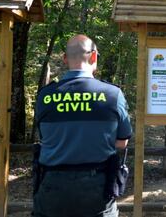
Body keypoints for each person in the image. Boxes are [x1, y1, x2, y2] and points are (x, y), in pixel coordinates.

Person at [33, 35, 132, 217]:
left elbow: (45, 138)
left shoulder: (45, 96)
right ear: (94, 57)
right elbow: (122, 142)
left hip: (52, 187)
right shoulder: (112, 94)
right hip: (97, 189)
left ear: (65, 58)